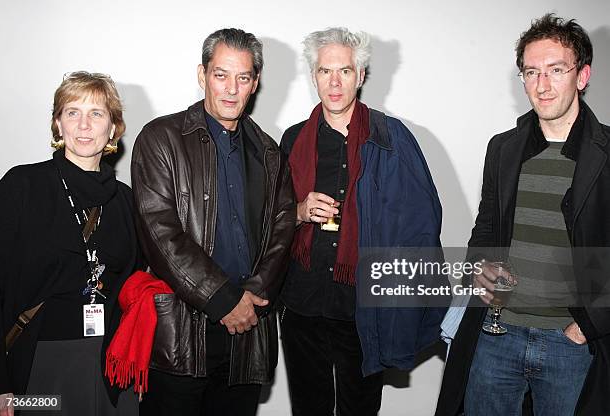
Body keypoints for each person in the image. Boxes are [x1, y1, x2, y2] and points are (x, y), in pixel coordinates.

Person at [435, 13, 610, 416]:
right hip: (498, 335)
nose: (542, 85)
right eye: (530, 72)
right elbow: (486, 226)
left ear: (582, 76)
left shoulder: (605, 154)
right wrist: (477, 269)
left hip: (571, 344)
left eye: (555, 70)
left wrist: (586, 327)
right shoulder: (503, 148)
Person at [279, 27, 445, 416]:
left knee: (360, 408)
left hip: (363, 307)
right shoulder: (292, 139)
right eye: (324, 71)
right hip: (301, 302)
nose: (334, 83)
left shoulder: (391, 136)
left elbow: (421, 220)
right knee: (308, 407)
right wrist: (299, 211)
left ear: (361, 75)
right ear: (313, 76)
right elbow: (267, 217)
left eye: (345, 71)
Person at [131, 28, 295, 416]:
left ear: (255, 83)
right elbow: (159, 232)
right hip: (181, 338)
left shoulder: (269, 152)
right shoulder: (161, 139)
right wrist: (224, 300)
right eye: (221, 74)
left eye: (243, 77)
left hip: (247, 335)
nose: (231, 89)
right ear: (202, 75)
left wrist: (253, 294)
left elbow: (283, 227)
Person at [0, 71, 141, 416]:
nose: (84, 125)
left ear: (113, 129)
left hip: (111, 365)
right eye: (72, 112)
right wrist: (1, 387)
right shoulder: (22, 185)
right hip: (38, 364)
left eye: (96, 114)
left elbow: (134, 286)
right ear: (58, 125)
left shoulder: (126, 200)